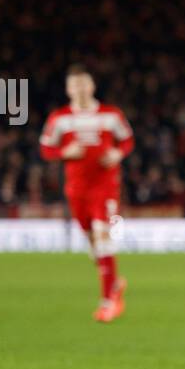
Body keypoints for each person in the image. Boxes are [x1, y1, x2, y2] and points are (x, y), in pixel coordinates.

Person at [39, 64, 133, 322]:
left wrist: (117, 153)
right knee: (93, 242)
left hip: (105, 187)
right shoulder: (59, 118)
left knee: (103, 237)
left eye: (84, 84)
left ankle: (108, 302)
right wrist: (63, 153)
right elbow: (46, 149)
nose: (80, 89)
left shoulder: (111, 115)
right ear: (68, 90)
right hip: (76, 189)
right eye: (75, 85)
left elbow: (127, 140)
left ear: (92, 86)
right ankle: (114, 283)